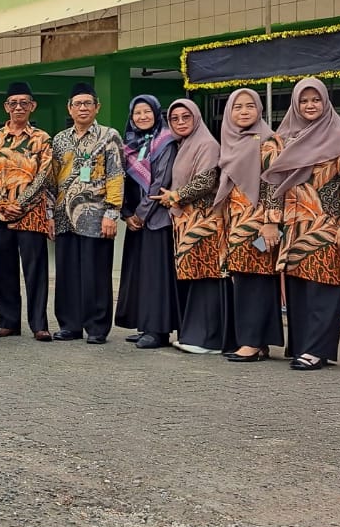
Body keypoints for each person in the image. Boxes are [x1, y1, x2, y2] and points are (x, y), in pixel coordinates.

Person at [263, 79, 340, 372]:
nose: (310, 106)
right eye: (304, 101)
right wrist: (270, 222)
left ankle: (316, 350)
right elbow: (272, 185)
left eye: (315, 100)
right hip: (293, 227)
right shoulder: (280, 141)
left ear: (326, 102)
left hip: (329, 227)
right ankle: (303, 346)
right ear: (295, 103)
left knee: (326, 287)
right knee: (300, 290)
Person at [48, 83, 124, 344]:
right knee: (67, 273)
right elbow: (52, 180)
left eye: (87, 103)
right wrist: (50, 214)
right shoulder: (59, 139)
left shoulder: (109, 136)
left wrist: (112, 213)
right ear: (69, 108)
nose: (83, 108)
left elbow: (116, 176)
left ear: (97, 107)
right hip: (64, 217)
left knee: (96, 274)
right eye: (77, 104)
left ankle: (96, 327)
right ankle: (70, 325)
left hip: (95, 216)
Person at [152, 99, 227, 355]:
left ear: (197, 118)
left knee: (206, 278)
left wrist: (175, 196)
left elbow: (206, 181)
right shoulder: (182, 145)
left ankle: (208, 339)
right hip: (187, 222)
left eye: (186, 117)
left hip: (205, 222)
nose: (181, 122)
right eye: (175, 119)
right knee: (193, 277)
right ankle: (192, 334)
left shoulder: (206, 144)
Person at [0, 81, 54, 341]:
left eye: (24, 103)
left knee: (35, 271)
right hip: (0, 214)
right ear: (6, 107)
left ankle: (39, 325)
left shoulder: (42, 139)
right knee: (2, 270)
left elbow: (43, 175)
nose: (19, 107)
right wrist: (2, 203)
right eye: (13, 103)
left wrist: (19, 203)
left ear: (32, 106)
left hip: (31, 213)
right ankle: (8, 321)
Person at [215, 88, 283, 363]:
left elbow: (274, 183)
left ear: (260, 110)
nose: (244, 112)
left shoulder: (268, 142)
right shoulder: (230, 142)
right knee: (243, 279)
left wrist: (270, 222)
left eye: (249, 106)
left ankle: (252, 342)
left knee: (257, 279)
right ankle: (256, 340)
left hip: (258, 222)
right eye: (237, 107)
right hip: (235, 222)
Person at [114, 96, 179, 350]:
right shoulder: (130, 143)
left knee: (156, 277)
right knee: (139, 275)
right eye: (137, 113)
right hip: (135, 221)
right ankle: (144, 323)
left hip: (156, 220)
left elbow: (160, 180)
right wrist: (126, 213)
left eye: (146, 112)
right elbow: (122, 182)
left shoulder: (166, 142)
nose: (142, 117)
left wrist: (140, 214)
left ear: (156, 113)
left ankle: (158, 330)